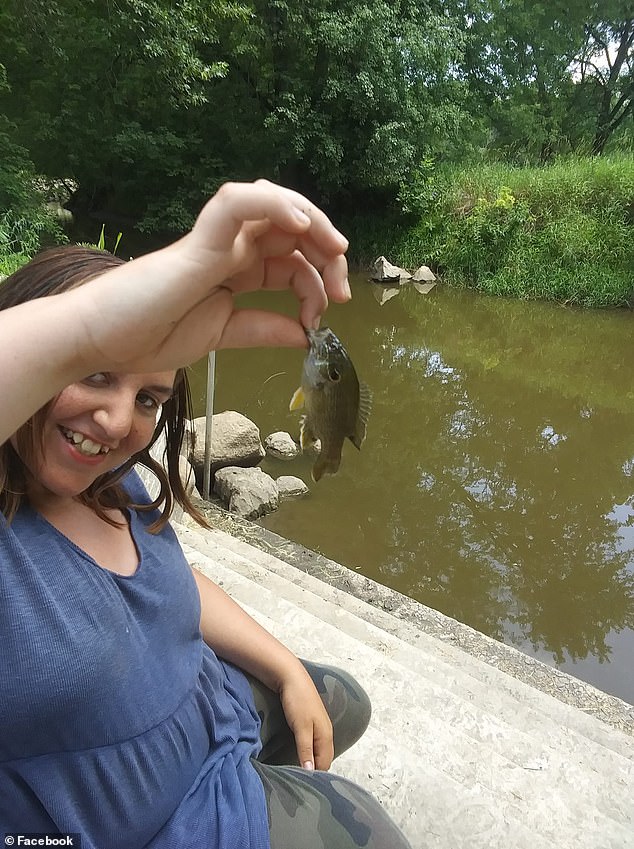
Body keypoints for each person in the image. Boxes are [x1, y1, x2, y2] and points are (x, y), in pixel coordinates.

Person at [0, 181, 412, 849]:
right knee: (373, 830)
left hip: (204, 707)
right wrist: (87, 322)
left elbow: (173, 588)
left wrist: (283, 666)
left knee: (342, 700)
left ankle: (254, 747)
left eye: (149, 397)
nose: (116, 420)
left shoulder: (111, 483)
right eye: (94, 371)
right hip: (158, 814)